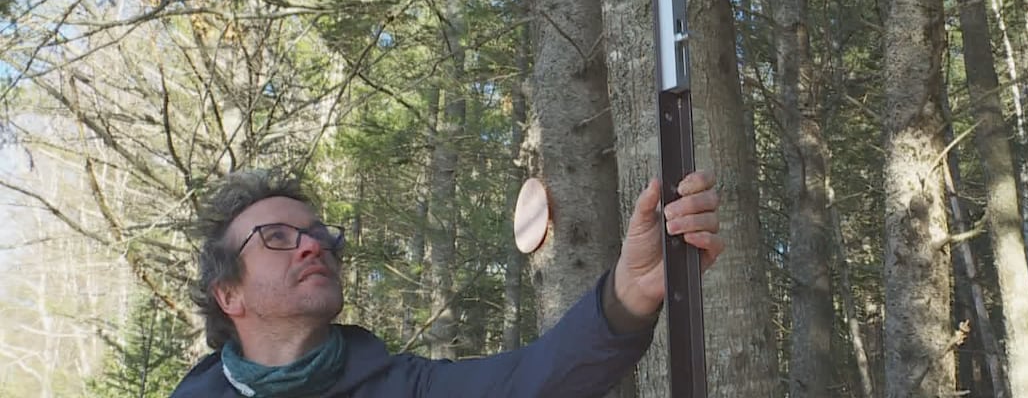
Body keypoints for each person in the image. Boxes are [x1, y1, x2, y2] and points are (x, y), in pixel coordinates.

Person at [169, 168, 723, 397]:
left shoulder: (404, 387)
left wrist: (632, 289)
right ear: (228, 294)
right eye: (276, 237)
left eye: (317, 234)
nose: (312, 245)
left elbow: (536, 380)